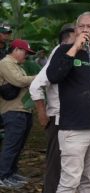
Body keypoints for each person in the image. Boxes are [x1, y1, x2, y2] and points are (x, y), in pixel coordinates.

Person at [46, 12, 90, 193]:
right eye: (81, 26)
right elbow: (53, 76)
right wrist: (75, 48)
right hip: (74, 130)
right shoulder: (63, 51)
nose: (85, 29)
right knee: (70, 181)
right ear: (76, 29)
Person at [29, 23, 75, 193]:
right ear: (67, 40)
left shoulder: (76, 56)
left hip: (72, 120)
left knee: (67, 167)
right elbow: (35, 86)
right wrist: (42, 113)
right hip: (57, 120)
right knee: (56, 165)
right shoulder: (60, 54)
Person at [0, 39, 36, 189]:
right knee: (11, 145)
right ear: (16, 50)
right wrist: (40, 77)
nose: (26, 56)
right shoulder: (5, 63)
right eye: (25, 52)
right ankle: (2, 176)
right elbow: (19, 81)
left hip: (22, 110)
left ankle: (11, 172)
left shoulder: (17, 66)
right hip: (13, 110)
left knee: (18, 145)